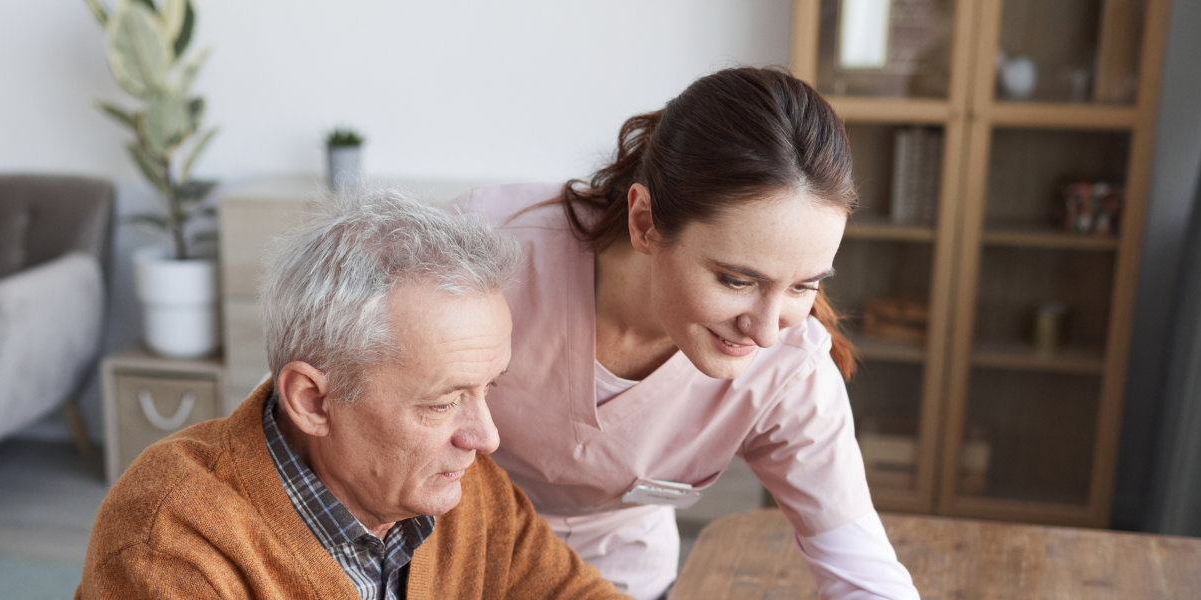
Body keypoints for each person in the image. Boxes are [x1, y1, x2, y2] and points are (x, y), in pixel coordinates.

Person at [455, 67, 920, 600]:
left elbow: (862, 573)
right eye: (738, 280)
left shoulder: (790, 368)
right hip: (449, 550)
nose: (766, 333)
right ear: (646, 222)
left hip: (618, 577)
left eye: (803, 286)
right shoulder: (482, 259)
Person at [77, 191, 624, 599]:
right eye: (441, 403)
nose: (486, 436)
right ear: (313, 401)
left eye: (488, 389)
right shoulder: (171, 541)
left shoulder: (462, 489)